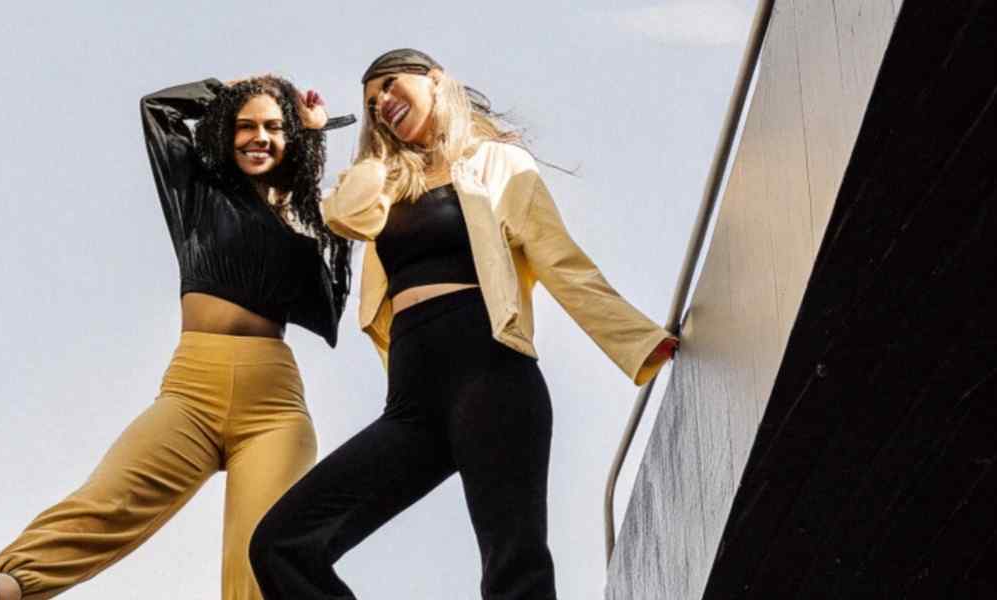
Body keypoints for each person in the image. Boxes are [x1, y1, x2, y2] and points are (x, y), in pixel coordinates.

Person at [248, 49, 678, 600]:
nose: (381, 102)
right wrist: (377, 155)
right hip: (412, 404)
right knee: (282, 544)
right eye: (371, 101)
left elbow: (562, 262)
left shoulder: (498, 165)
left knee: (512, 568)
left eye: (391, 85)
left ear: (436, 81)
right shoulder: (384, 187)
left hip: (491, 374)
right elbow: (343, 215)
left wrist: (640, 341)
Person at [0, 74, 356, 600]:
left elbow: (332, 303)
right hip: (193, 389)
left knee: (259, 555)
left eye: (272, 127)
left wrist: (312, 134)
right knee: (110, 499)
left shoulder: (302, 229)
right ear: (225, 132)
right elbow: (158, 111)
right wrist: (227, 90)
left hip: (274, 405)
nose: (258, 137)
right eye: (245, 126)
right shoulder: (197, 192)